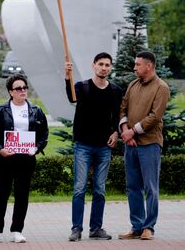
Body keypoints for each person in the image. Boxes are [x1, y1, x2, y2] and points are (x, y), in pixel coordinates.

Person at [65, 53, 123, 241]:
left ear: (110, 68)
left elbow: (117, 116)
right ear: (93, 66)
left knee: (99, 189)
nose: (104, 68)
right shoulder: (82, 87)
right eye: (101, 64)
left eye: (107, 65)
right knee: (79, 188)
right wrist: (67, 77)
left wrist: (116, 132)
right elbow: (71, 98)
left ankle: (96, 228)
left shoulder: (115, 91)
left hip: (104, 146)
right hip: (83, 145)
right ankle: (76, 228)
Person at [0, 74, 48, 244]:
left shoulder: (36, 110)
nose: (22, 91)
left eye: (25, 87)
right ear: (10, 92)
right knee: (1, 194)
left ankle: (17, 230)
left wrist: (37, 148)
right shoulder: (1, 110)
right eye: (18, 88)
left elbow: (44, 134)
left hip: (26, 159)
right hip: (4, 159)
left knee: (22, 195)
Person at [118, 51, 170, 241]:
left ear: (149, 66)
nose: (134, 67)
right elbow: (123, 107)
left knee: (150, 187)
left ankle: (149, 227)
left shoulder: (161, 88)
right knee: (133, 187)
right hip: (131, 144)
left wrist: (133, 131)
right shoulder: (133, 84)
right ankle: (137, 226)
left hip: (149, 144)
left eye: (138, 65)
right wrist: (125, 130)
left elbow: (155, 117)